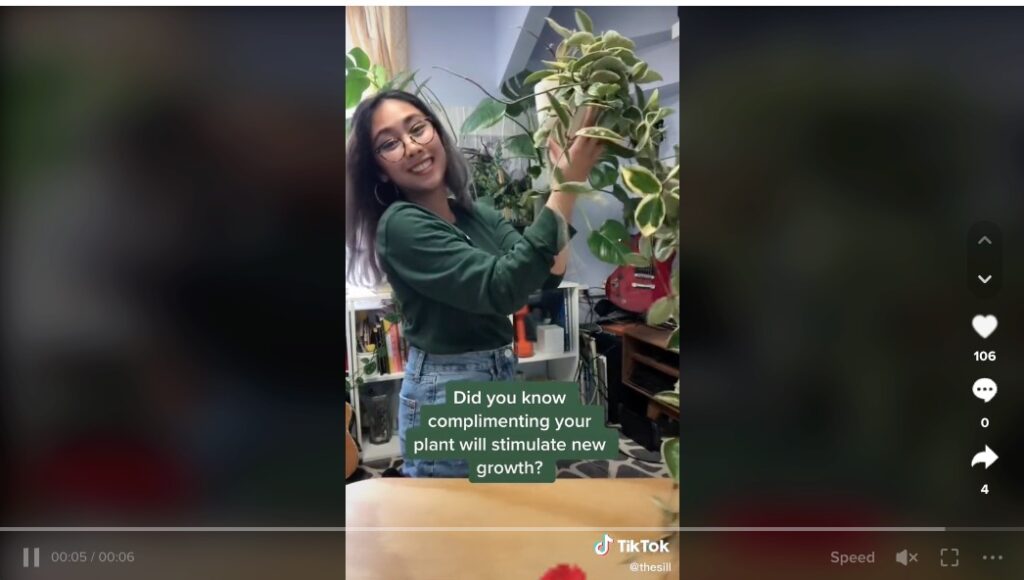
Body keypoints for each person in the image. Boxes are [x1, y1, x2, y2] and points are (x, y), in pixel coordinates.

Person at [345, 90, 603, 477]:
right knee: (457, 528)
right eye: (390, 144)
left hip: (499, 373)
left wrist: (563, 184)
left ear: (436, 133)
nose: (412, 147)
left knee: (495, 514)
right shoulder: (400, 224)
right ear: (380, 168)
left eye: (417, 129)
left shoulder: (476, 215)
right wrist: (565, 186)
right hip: (446, 389)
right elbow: (501, 289)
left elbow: (548, 272)